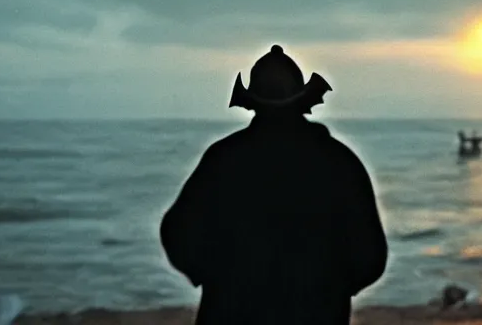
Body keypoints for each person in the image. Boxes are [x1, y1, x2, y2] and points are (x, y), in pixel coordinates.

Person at [160, 45, 388, 324]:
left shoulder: (223, 159)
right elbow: (371, 256)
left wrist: (215, 278)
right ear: (304, 99)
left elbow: (177, 233)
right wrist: (330, 289)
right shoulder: (339, 161)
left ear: (252, 102)